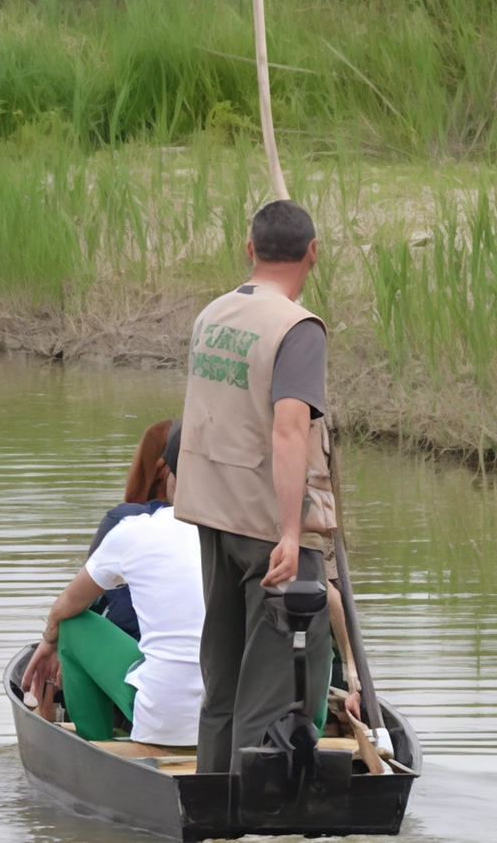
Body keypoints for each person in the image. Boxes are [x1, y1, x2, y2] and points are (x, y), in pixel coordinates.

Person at [175, 199, 359, 774]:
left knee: (224, 687)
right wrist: (288, 531)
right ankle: (252, 824)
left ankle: (209, 811)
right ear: (314, 254)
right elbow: (287, 429)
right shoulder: (298, 329)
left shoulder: (213, 315)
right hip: (270, 531)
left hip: (214, 520)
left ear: (249, 249)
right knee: (269, 696)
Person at [21, 423, 205, 745]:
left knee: (72, 623)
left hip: (167, 722)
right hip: (241, 721)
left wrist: (50, 638)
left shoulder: (134, 528)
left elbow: (68, 605)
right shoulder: (252, 537)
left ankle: (96, 747)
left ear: (167, 473)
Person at [86, 418, 178, 641]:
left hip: (135, 647)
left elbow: (81, 601)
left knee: (69, 620)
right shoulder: (231, 525)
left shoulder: (125, 519)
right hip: (211, 655)